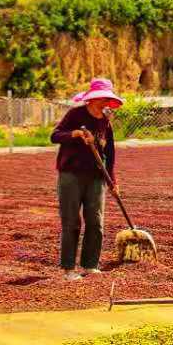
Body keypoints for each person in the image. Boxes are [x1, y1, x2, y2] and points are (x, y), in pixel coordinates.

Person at [49, 78, 121, 280]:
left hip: (96, 177)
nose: (106, 101)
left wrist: (112, 181)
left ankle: (90, 264)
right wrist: (76, 133)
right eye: (103, 97)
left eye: (108, 97)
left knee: (96, 221)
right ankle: (69, 269)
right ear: (93, 98)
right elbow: (55, 136)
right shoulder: (76, 114)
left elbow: (110, 153)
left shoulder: (105, 121)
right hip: (71, 175)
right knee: (71, 221)